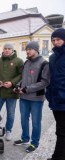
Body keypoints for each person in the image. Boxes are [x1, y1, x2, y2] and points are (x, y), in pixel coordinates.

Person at [13, 41, 50, 153]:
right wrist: (18, 86)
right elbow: (23, 78)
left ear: (36, 50)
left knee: (35, 122)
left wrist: (26, 89)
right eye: (26, 49)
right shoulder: (26, 63)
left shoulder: (44, 63)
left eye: (30, 49)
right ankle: (25, 139)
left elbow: (45, 82)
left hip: (36, 99)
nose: (27, 51)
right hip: (24, 98)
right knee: (24, 120)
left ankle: (34, 143)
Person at [0, 43, 23, 141]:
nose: (7, 50)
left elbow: (21, 75)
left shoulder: (19, 61)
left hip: (11, 93)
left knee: (11, 114)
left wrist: (12, 83)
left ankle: (8, 130)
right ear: (3, 50)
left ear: (12, 50)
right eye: (5, 48)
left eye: (9, 49)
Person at [46, 28, 65, 160]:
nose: (55, 42)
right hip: (55, 101)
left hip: (64, 101)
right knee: (61, 131)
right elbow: (50, 79)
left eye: (58, 39)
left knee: (62, 132)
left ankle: (57, 157)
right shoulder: (52, 57)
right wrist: (49, 94)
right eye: (53, 40)